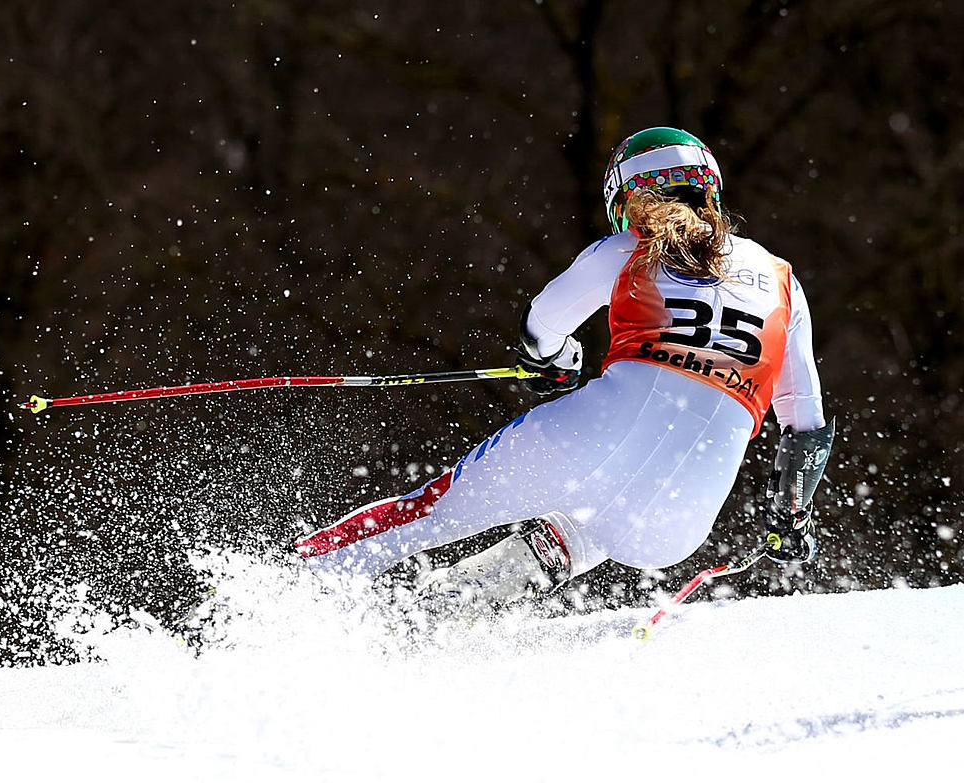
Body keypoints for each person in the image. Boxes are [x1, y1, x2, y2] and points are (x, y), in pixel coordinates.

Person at [294, 127, 834, 613]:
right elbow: (806, 422)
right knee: (593, 522)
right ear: (709, 190)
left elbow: (542, 323)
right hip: (681, 519)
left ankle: (290, 585)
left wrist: (555, 361)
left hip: (593, 436)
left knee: (431, 512)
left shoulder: (626, 250)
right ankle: (445, 610)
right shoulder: (782, 278)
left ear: (629, 200)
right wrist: (790, 517)